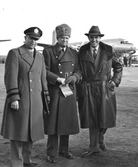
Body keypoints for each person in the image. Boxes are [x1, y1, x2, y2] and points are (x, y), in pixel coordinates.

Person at [0, 27, 49, 167]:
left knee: (31, 131)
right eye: (31, 38)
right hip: (21, 99)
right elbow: (10, 77)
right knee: (17, 132)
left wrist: (45, 98)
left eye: (36, 39)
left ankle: (27, 160)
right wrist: (14, 97)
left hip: (36, 100)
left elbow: (43, 78)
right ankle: (17, 162)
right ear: (25, 38)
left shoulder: (39, 56)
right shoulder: (15, 53)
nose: (33, 41)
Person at [77, 26, 123, 157]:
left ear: (100, 38)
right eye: (91, 37)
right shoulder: (83, 51)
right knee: (92, 118)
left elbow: (118, 66)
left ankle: (100, 137)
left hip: (105, 88)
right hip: (89, 87)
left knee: (106, 116)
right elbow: (79, 68)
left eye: (96, 37)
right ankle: (93, 147)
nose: (94, 40)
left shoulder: (108, 50)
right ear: (88, 38)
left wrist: (114, 81)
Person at [43, 24, 81, 163]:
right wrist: (57, 79)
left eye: (66, 38)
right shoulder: (48, 52)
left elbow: (78, 70)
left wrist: (74, 77)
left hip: (68, 91)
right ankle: (51, 153)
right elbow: (44, 71)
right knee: (53, 123)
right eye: (61, 38)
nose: (64, 40)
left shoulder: (73, 53)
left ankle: (64, 150)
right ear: (57, 38)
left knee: (66, 122)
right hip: (55, 91)